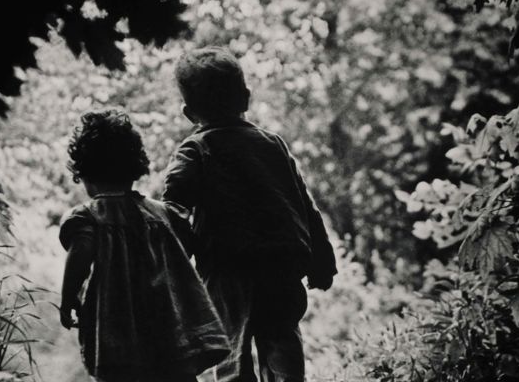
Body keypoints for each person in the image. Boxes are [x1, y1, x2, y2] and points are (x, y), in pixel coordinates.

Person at [163, 46, 338, 382]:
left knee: (232, 353)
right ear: (245, 97)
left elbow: (174, 210)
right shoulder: (273, 144)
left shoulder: (196, 149)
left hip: (228, 269)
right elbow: (304, 204)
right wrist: (321, 260)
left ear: (188, 113)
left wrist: (177, 263)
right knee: (282, 343)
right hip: (281, 264)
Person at [58, 109, 230, 382]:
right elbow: (185, 246)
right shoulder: (163, 214)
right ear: (134, 166)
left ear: (84, 174)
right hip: (170, 324)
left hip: (118, 328)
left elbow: (80, 254)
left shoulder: (89, 217)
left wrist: (68, 298)